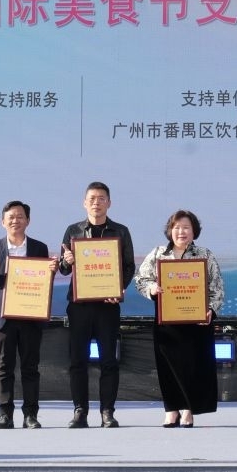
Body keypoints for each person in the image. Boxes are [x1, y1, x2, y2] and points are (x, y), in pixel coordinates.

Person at [135, 210, 225, 428]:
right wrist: (152, 288)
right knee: (167, 367)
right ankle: (171, 409)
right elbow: (141, 279)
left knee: (192, 367)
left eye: (186, 227)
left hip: (196, 322)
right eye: (176, 227)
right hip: (167, 322)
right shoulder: (158, 253)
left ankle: (188, 409)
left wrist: (211, 310)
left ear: (194, 231)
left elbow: (217, 287)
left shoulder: (204, 254)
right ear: (169, 231)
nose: (181, 232)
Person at [58, 181, 135, 428]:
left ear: (109, 203)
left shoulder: (120, 231)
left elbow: (129, 266)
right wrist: (67, 260)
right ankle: (80, 411)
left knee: (108, 361)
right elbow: (62, 268)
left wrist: (119, 289)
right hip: (79, 305)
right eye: (92, 198)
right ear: (84, 203)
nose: (96, 203)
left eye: (101, 198)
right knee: (77, 361)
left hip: (107, 305)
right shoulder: (73, 230)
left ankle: (107, 411)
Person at [0, 200, 58, 430]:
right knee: (4, 367)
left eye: (20, 216)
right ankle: (5, 415)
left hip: (31, 315)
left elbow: (42, 280)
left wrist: (51, 271)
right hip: (4, 318)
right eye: (11, 217)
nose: (15, 220)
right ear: (3, 222)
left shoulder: (39, 248)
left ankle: (30, 415)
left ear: (28, 221)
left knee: (31, 368)